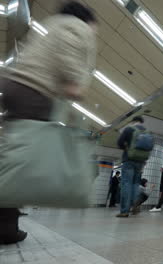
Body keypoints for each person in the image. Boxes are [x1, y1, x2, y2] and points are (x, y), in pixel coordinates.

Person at [0, 1, 97, 244]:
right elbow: (69, 50)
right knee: (21, 164)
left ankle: (6, 224)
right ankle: (5, 226)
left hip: (17, 86)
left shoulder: (52, 26)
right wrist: (75, 82)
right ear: (86, 19)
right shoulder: (76, 27)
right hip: (35, 92)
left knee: (14, 157)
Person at [116, 116, 148, 218]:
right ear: (142, 122)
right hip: (140, 162)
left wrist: (126, 148)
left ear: (133, 121)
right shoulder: (146, 132)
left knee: (126, 184)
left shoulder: (129, 129)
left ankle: (125, 210)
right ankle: (135, 203)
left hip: (128, 159)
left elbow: (120, 143)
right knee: (135, 184)